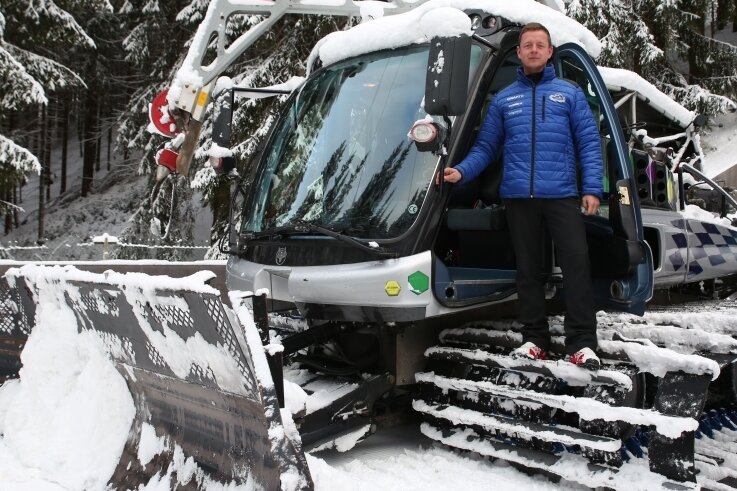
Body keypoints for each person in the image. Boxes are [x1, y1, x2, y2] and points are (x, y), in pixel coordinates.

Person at [443, 22, 603, 369]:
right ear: (518, 53)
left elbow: (589, 144)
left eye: (539, 45)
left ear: (549, 52)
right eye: (526, 44)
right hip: (518, 199)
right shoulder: (504, 100)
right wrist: (462, 171)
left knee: (576, 264)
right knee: (528, 272)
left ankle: (582, 343)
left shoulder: (569, 94)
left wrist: (592, 188)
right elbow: (486, 146)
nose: (532, 49)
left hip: (562, 195)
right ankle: (534, 339)